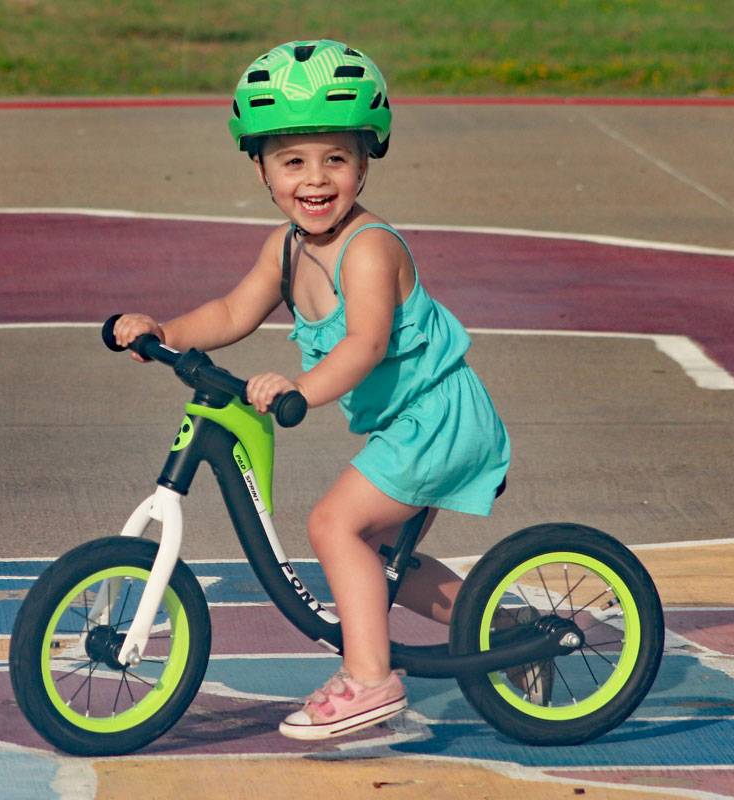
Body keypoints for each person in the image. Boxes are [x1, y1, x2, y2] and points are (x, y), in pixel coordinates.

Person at [113, 39, 510, 740]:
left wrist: (299, 388)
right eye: (293, 161)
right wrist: (163, 333)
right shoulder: (287, 246)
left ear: (365, 160)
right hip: (410, 424)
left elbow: (365, 344)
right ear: (263, 170)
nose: (315, 179)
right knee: (385, 565)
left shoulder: (370, 249)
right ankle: (509, 629)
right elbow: (233, 313)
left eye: (336, 158)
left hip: (439, 416)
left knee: (333, 525)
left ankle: (369, 680)